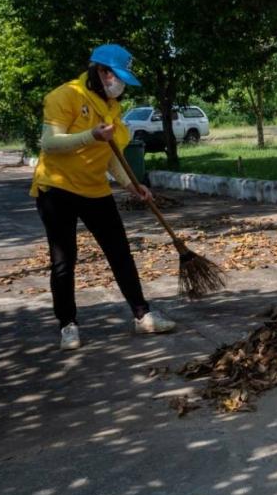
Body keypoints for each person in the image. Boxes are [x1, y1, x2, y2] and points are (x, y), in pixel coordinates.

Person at [30, 43, 176, 350]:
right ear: (99, 70)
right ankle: (68, 325)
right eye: (115, 77)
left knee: (120, 251)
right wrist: (90, 135)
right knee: (63, 260)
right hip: (56, 189)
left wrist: (130, 184)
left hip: (94, 188)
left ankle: (142, 315)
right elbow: (49, 143)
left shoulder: (112, 105)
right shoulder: (64, 96)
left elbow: (110, 155)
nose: (119, 85)